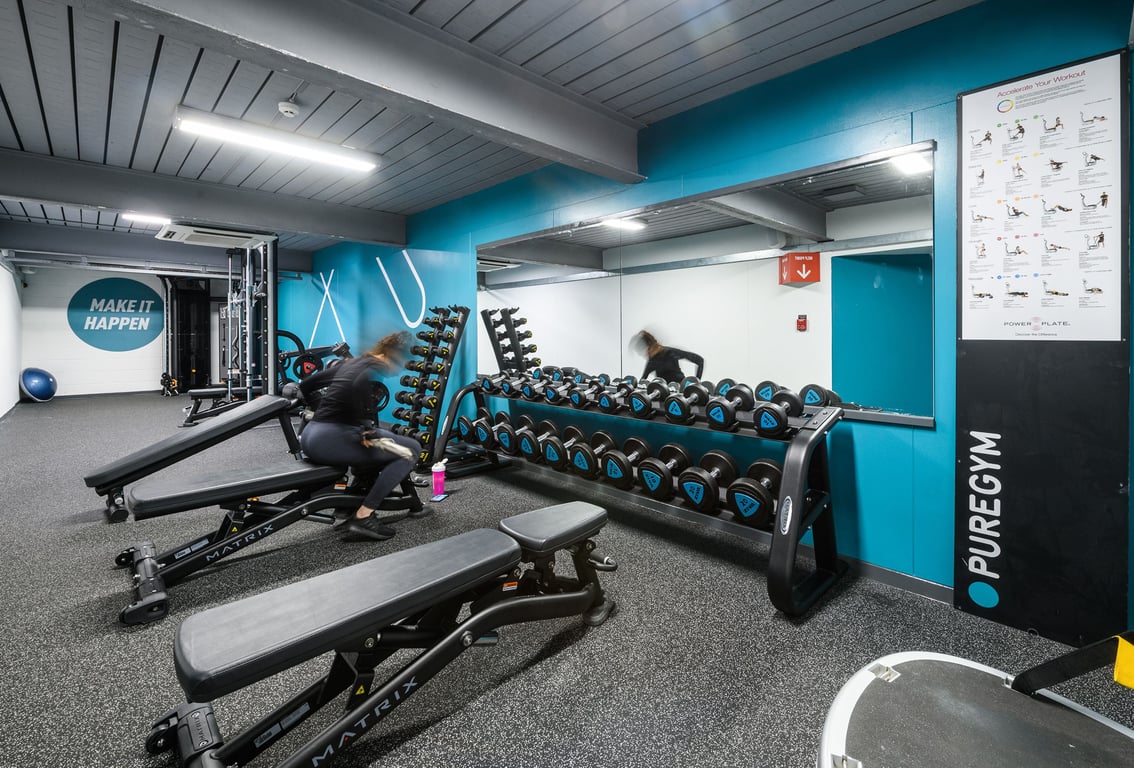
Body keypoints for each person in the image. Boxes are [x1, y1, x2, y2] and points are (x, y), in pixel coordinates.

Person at [298, 331, 423, 541]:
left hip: (311, 434)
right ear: (394, 354)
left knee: (383, 440)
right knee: (411, 450)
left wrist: (320, 409)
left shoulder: (353, 363)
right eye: (403, 361)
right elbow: (357, 385)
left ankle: (348, 505)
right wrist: (366, 429)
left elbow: (306, 385)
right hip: (330, 439)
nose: (401, 368)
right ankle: (363, 516)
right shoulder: (370, 370)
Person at [630, 330, 704, 385]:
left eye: (646, 351)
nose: (646, 354)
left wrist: (696, 383)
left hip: (681, 392)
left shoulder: (670, 352)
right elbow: (642, 381)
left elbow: (700, 360)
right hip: (663, 393)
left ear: (651, 346)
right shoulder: (651, 362)